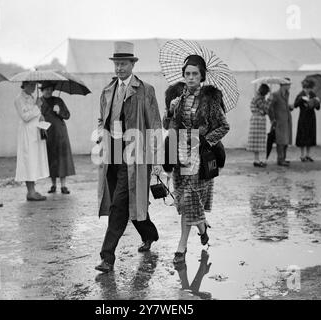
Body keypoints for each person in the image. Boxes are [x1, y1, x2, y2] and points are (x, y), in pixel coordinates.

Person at [95, 41, 162, 273]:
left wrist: (157, 161)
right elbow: (101, 118)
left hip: (134, 157)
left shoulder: (145, 90)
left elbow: (154, 126)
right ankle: (149, 234)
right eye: (117, 64)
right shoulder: (107, 91)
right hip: (111, 156)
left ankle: (107, 258)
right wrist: (100, 135)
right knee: (130, 204)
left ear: (132, 64)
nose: (119, 68)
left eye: (124, 63)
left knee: (118, 206)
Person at [163, 55, 230, 264]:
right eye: (187, 74)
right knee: (183, 202)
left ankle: (181, 247)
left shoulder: (210, 99)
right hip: (180, 154)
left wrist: (205, 140)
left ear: (202, 76)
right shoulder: (177, 97)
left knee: (190, 198)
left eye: (194, 74)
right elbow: (168, 127)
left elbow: (224, 126)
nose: (190, 77)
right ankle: (202, 229)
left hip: (200, 157)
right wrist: (171, 110)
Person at [14, 81, 49, 201]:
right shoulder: (19, 99)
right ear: (25, 85)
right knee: (28, 160)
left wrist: (41, 116)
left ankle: (32, 190)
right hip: (27, 134)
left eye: (35, 85)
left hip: (35, 132)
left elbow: (35, 114)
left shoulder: (33, 97)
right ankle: (30, 191)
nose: (34, 87)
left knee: (34, 161)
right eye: (32, 85)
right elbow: (26, 117)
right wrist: (37, 106)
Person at [39, 82, 76, 194]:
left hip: (60, 133)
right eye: (46, 89)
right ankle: (53, 185)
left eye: (50, 89)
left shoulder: (58, 101)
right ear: (42, 90)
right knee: (51, 158)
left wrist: (59, 111)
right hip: (47, 133)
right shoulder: (38, 102)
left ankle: (63, 185)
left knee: (62, 158)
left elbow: (67, 115)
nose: (48, 91)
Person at [294, 79, 321, 162]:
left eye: (309, 88)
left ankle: (308, 154)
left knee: (310, 135)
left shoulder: (313, 95)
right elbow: (295, 105)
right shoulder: (300, 95)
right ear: (303, 88)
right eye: (306, 88)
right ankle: (302, 155)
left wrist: (316, 102)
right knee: (302, 135)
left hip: (311, 117)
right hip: (303, 117)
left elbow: (318, 108)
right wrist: (301, 99)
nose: (307, 90)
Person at [268, 78, 293, 167]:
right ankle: (280, 159)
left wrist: (289, 107)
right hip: (279, 121)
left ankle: (283, 158)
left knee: (286, 140)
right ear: (283, 84)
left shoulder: (286, 94)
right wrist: (272, 119)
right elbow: (270, 108)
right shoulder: (275, 95)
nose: (290, 86)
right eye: (288, 84)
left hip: (287, 120)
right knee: (280, 141)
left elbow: (284, 106)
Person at [247, 84, 271, 167]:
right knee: (258, 141)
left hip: (257, 121)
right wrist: (269, 101)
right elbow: (265, 108)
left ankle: (257, 159)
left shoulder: (258, 97)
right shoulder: (258, 98)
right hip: (258, 121)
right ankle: (256, 160)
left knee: (258, 141)